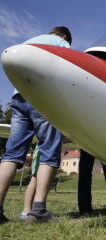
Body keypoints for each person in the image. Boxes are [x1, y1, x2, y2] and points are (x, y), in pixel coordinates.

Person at [0, 26, 72, 224]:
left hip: (18, 99)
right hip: (43, 97)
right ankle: (38, 210)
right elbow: (71, 68)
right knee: (49, 151)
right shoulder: (60, 42)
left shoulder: (29, 41)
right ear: (64, 36)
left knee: (12, 154)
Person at [20, 145, 40, 220]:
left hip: (46, 150)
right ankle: (26, 211)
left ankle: (35, 210)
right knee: (35, 178)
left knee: (37, 180)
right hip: (42, 151)